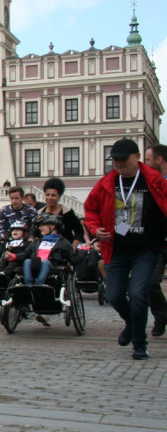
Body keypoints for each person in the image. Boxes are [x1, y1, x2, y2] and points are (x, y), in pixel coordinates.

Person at [85, 138, 167, 360]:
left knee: (139, 294)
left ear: (137, 158)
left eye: (123, 160)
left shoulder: (155, 181)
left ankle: (139, 344)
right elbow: (90, 211)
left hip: (146, 250)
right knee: (114, 295)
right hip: (117, 248)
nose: (119, 164)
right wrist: (96, 230)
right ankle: (131, 323)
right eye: (115, 160)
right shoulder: (106, 183)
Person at [144, 144, 167, 338]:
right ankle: (162, 316)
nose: (146, 163)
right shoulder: (150, 183)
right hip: (157, 242)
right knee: (150, 282)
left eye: (148, 160)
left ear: (159, 160)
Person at [23, 214, 76, 286]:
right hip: (35, 264)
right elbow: (25, 254)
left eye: (42, 225)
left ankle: (39, 285)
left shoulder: (64, 243)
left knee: (45, 262)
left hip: (53, 266)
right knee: (27, 261)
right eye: (39, 226)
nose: (39, 228)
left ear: (53, 226)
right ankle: (28, 285)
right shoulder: (36, 241)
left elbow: (73, 259)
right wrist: (13, 256)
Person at [35, 178, 84, 246]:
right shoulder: (40, 213)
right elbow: (36, 233)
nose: (49, 198)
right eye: (47, 195)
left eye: (53, 195)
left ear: (59, 196)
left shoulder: (67, 212)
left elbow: (79, 232)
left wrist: (73, 247)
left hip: (65, 249)